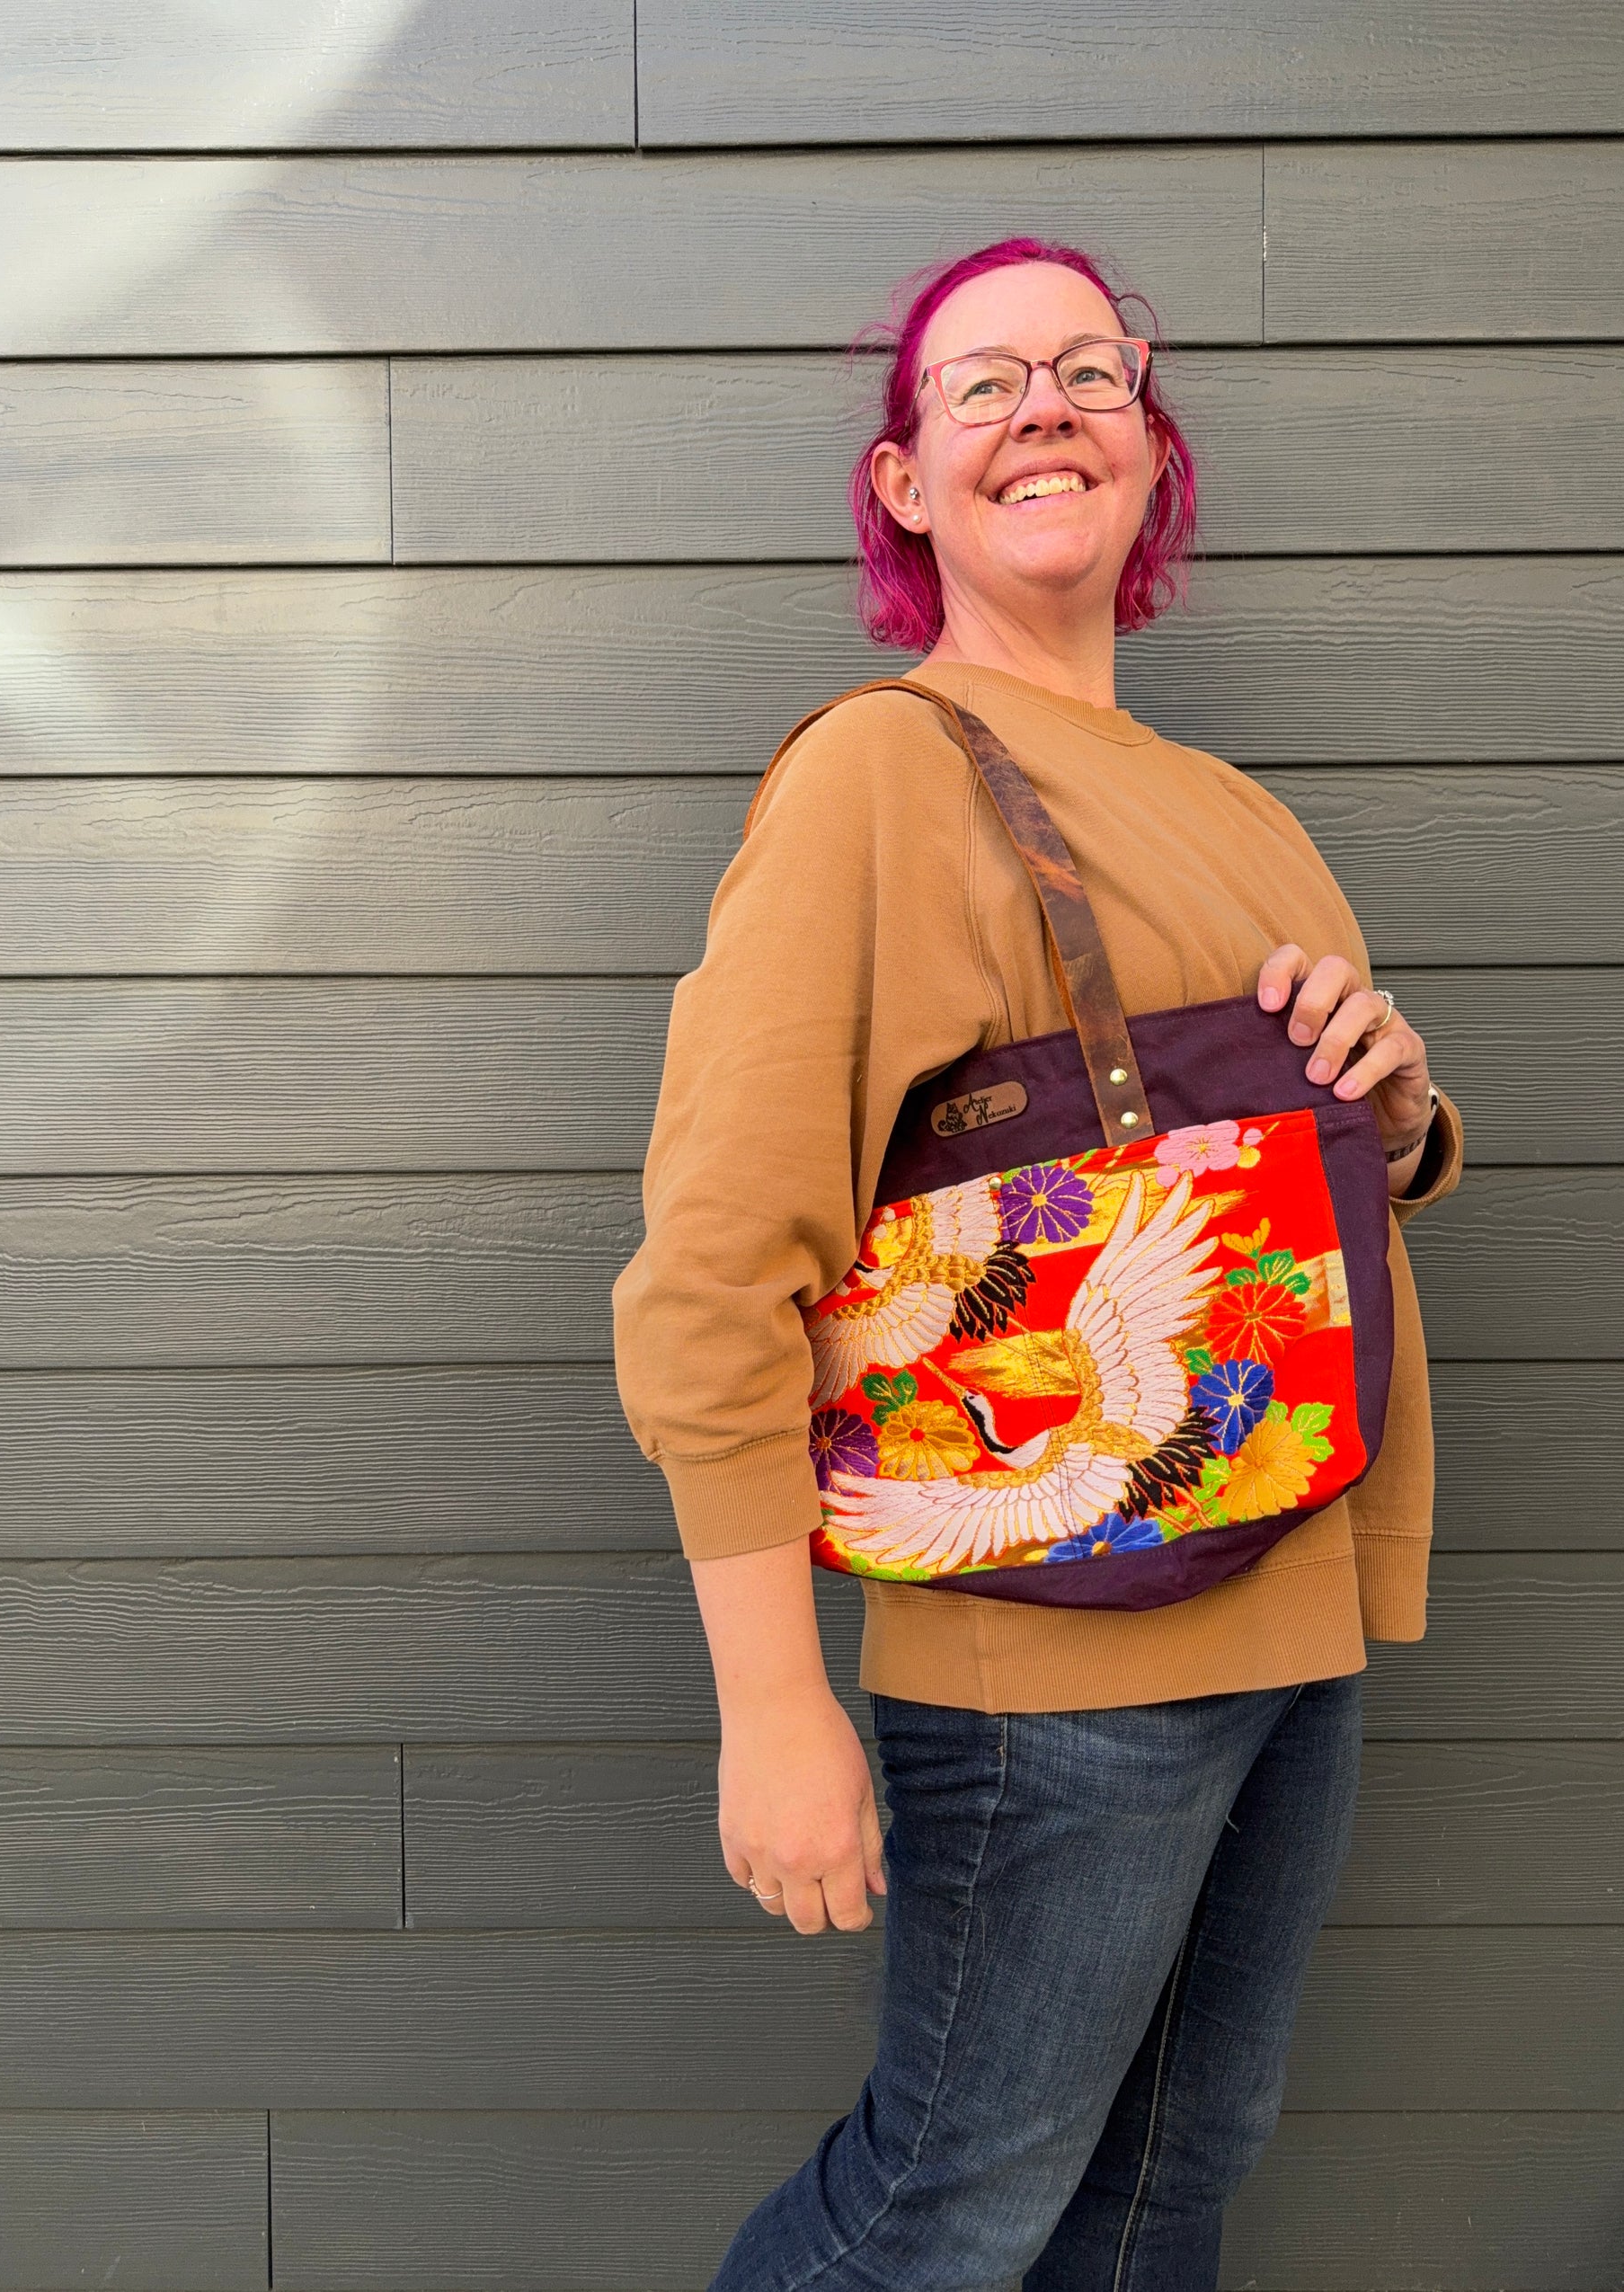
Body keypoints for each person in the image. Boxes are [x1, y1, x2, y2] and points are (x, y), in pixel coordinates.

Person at [612, 237, 1462, 2292]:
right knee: (942, 2209)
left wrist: (1401, 1100)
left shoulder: (1230, 806)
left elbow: (1276, 1186)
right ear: (906, 486)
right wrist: (774, 1709)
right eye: (978, 384)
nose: (1044, 405)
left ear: (1151, 454)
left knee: (1166, 2189)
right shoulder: (882, 776)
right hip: (1058, 1652)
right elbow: (716, 1270)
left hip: (1293, 1597)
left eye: (1089, 367)